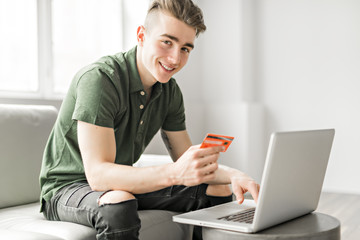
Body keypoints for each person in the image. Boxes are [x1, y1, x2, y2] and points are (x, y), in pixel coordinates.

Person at [39, 0, 260, 239]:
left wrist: (235, 175)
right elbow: (99, 176)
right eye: (167, 42)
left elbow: (187, 162)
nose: (175, 59)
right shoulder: (100, 80)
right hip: (66, 189)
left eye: (185, 48)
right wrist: (175, 173)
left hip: (118, 183)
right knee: (118, 202)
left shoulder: (169, 91)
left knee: (216, 188)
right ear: (141, 35)